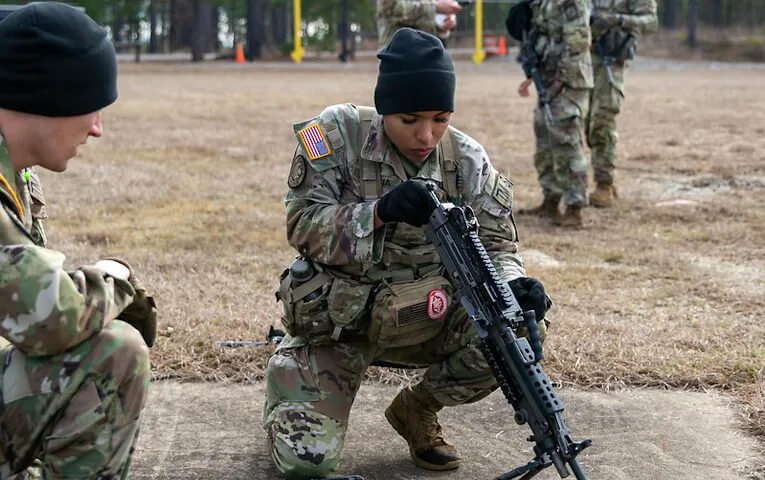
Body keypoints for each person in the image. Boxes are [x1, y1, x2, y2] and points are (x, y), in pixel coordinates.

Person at [262, 27, 552, 480]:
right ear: (384, 110)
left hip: (429, 315)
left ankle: (417, 409)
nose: (427, 135)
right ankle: (290, 375)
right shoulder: (335, 135)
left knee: (514, 333)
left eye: (440, 118)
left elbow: (498, 245)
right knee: (306, 463)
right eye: (410, 119)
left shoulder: (467, 160)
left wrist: (513, 283)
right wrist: (377, 213)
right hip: (343, 323)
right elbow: (301, 225)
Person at [0, 3, 158, 478]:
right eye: (90, 106)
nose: (96, 128)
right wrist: (119, 278)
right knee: (116, 352)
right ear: (44, 97)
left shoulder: (15, 171)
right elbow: (54, 315)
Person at [512, 0, 594, 227]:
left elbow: (578, 43)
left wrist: (561, 80)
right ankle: (551, 199)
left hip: (569, 81)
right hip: (547, 79)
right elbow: (543, 36)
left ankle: (574, 207)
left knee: (566, 141)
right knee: (544, 137)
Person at [587, 0, 658, 207]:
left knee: (601, 122)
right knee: (583, 124)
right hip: (582, 60)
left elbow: (651, 22)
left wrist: (618, 20)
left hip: (611, 59)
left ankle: (604, 184)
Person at [376, 0, 462, 49]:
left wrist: (444, 23)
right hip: (397, 55)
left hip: (430, 53)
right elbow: (391, 10)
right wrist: (435, 7)